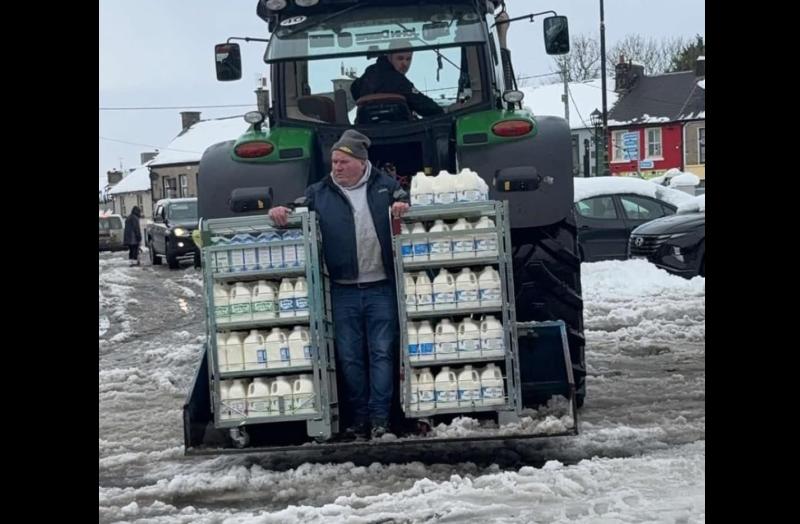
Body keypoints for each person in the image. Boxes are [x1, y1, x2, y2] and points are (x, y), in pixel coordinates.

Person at [269, 130, 410, 440]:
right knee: (348, 357)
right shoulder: (320, 193)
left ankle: (380, 420)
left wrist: (403, 207)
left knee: (383, 353)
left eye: (343, 161)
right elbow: (295, 209)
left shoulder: (385, 188)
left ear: (362, 162)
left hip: (381, 287)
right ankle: (358, 420)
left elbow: (406, 200)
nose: (337, 167)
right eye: (334, 161)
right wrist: (281, 211)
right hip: (343, 289)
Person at [350, 42, 444, 118]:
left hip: (367, 132)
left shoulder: (369, 73)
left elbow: (354, 89)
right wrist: (443, 111)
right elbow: (422, 104)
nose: (404, 64)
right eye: (400, 58)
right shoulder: (399, 81)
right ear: (389, 56)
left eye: (408, 59)